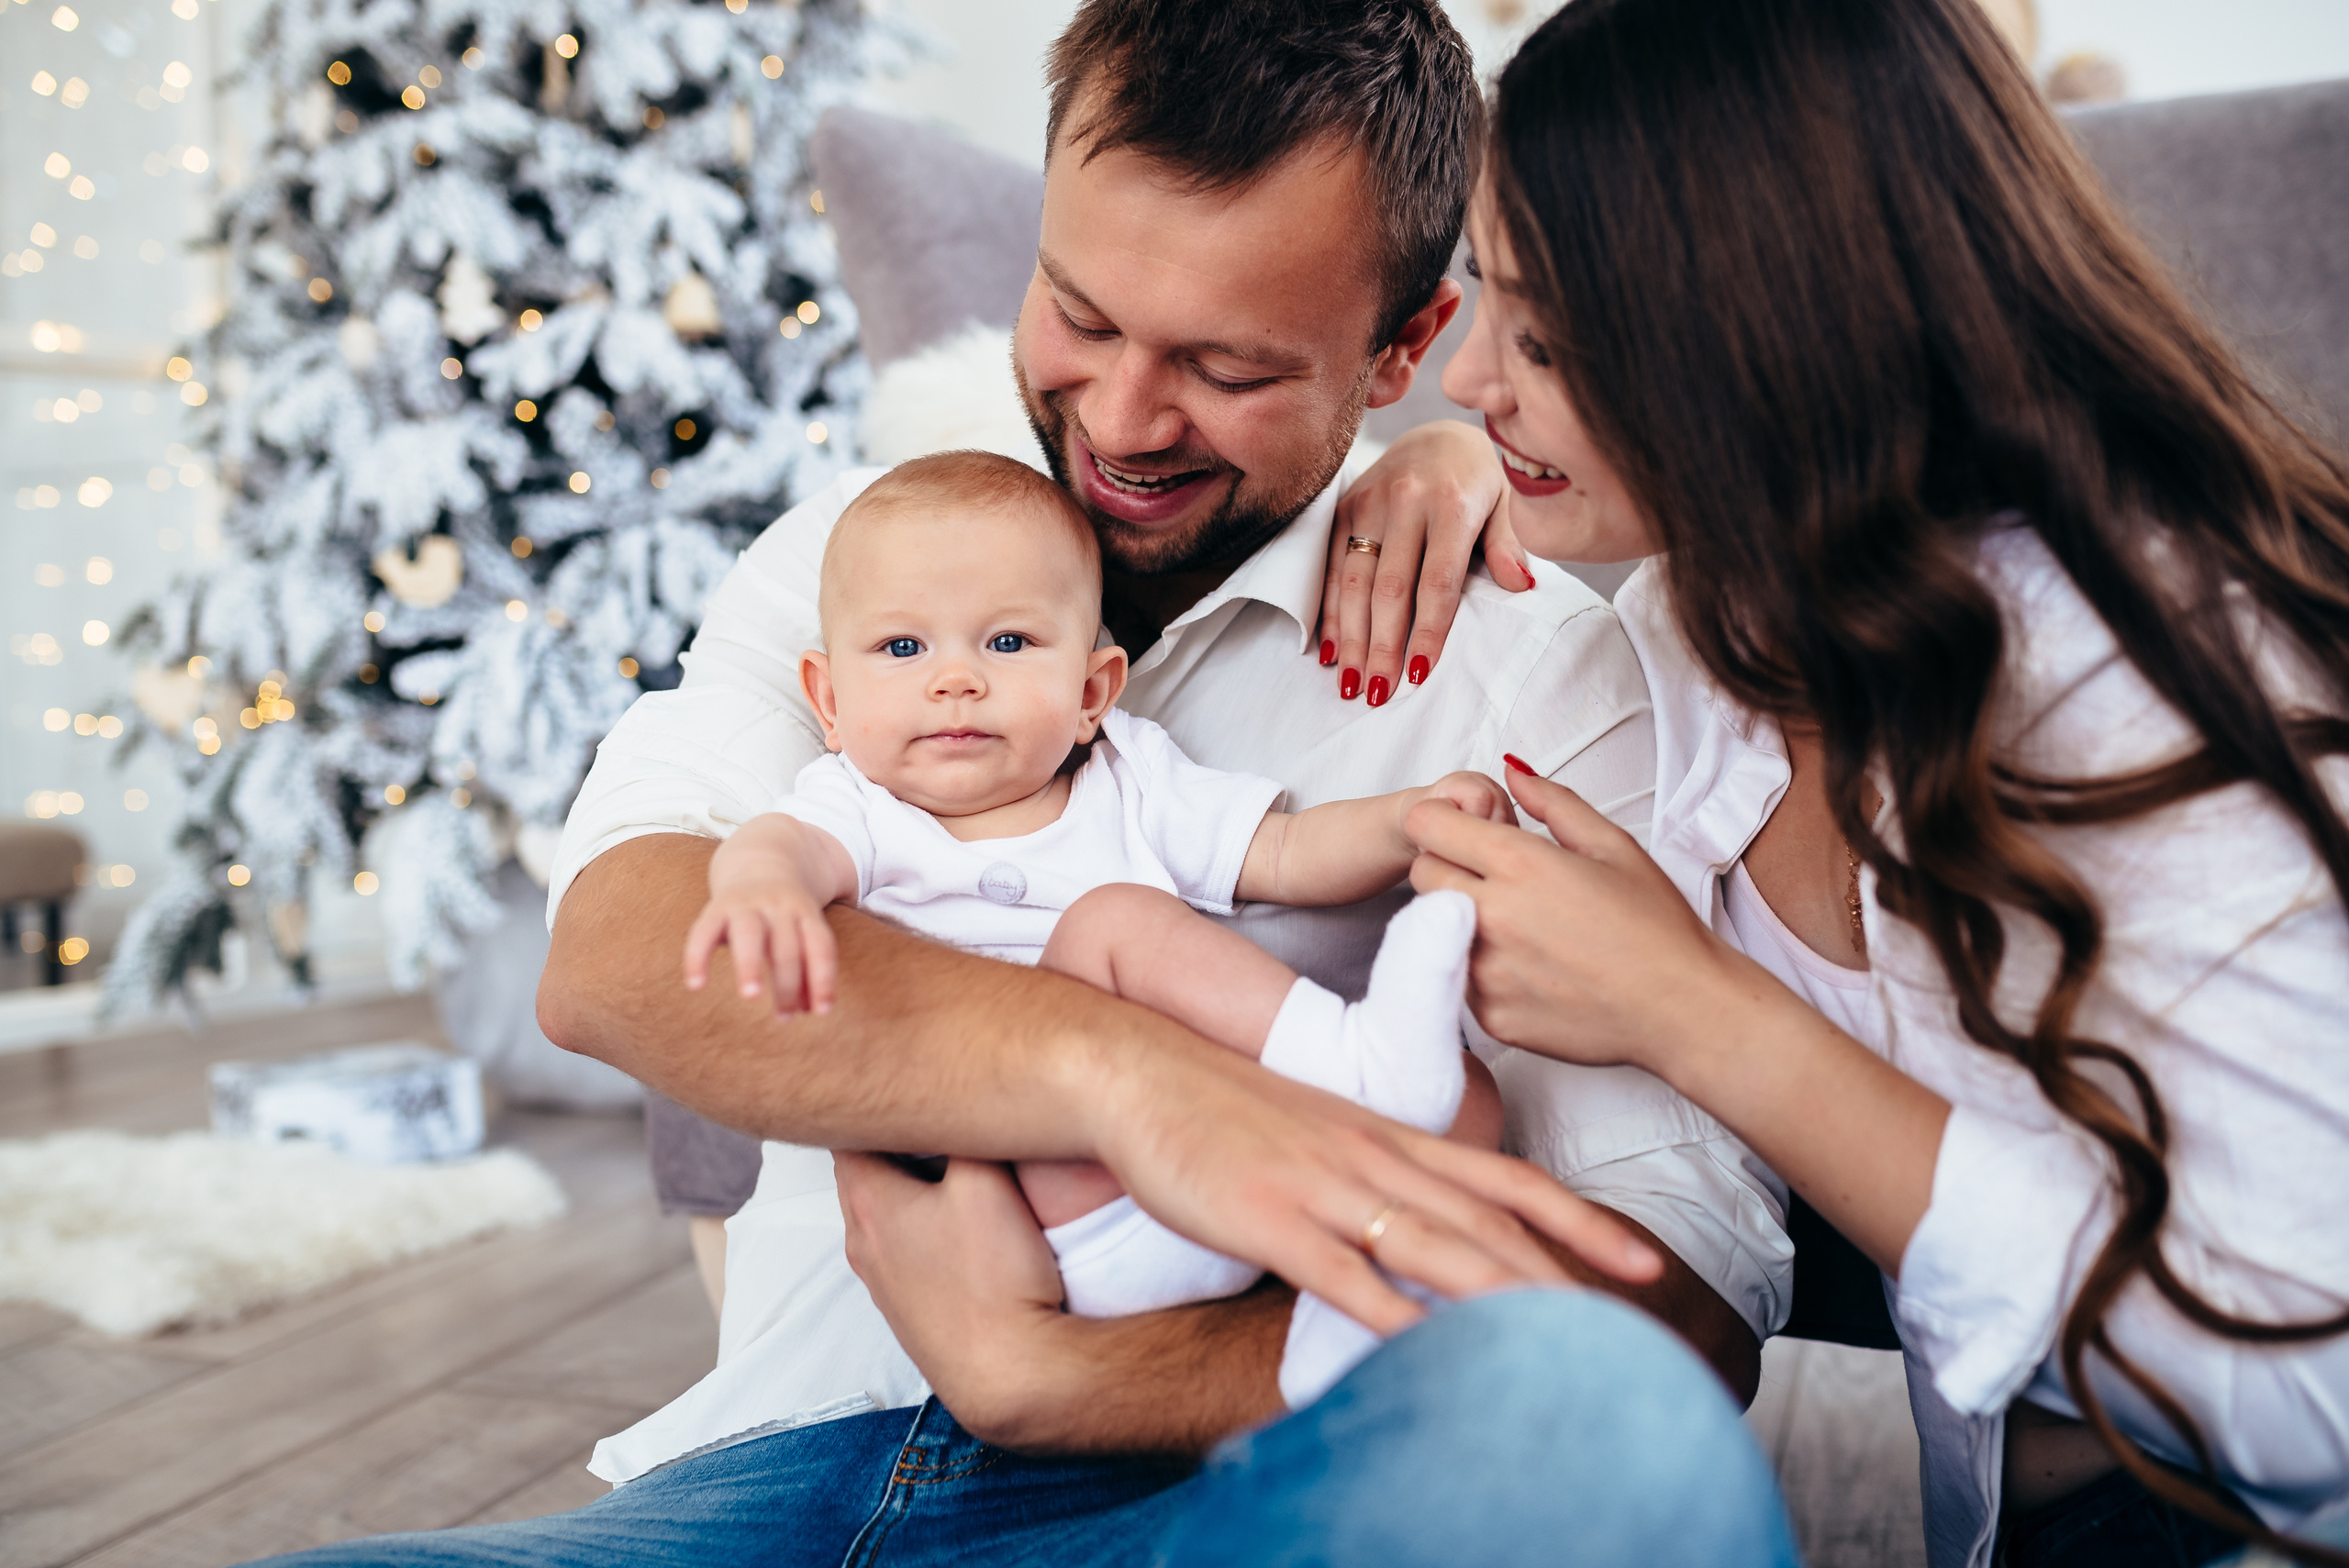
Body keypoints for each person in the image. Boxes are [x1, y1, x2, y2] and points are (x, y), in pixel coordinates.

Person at [250, 5, 1803, 1563]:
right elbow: (615, 957)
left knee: (1626, 1454)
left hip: (1240, 1475)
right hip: (785, 1475)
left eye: (1226, 365)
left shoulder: (1532, 681)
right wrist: (1135, 1081)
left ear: (1405, 348)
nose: (1121, 423)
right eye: (1080, 310)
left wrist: (1062, 1376)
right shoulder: (874, 558)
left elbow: (1679, 1293)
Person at [1374, 1, 2349, 1565]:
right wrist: (1438, 468)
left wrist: (1699, 1011)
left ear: (1765, 334)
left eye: (1546, 333)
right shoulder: (1705, 623)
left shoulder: (2136, 682)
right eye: (1483, 293)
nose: (1470, 376)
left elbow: (2318, 1403)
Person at [678, 447, 1510, 1404]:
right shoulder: (859, 810)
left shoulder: (1130, 780)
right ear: (828, 699)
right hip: (1027, 1204)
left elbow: (1281, 853)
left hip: (1207, 1172)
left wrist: (1409, 819)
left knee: (1470, 1102)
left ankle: (1341, 1316)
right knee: (1115, 920)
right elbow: (779, 848)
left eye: (1007, 643)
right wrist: (760, 891)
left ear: (1091, 691)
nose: (955, 679)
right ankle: (1356, 1059)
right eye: (903, 649)